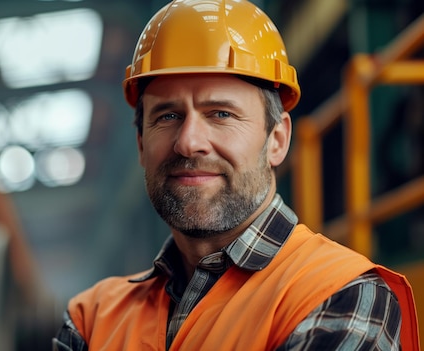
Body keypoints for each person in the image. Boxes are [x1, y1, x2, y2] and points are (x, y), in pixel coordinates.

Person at [52, 0, 420, 350]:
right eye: (167, 116)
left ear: (277, 140)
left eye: (221, 114)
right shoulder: (92, 318)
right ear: (140, 145)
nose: (189, 142)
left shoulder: (340, 294)